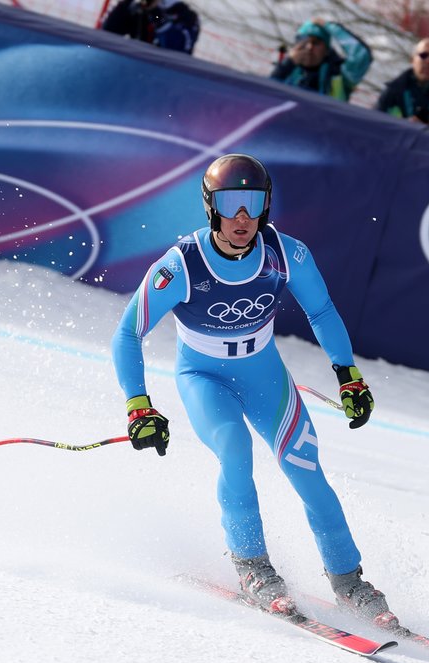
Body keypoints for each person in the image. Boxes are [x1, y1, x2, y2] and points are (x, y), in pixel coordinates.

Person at [111, 153, 396, 628]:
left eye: (253, 203)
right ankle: (253, 569)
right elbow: (127, 333)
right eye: (230, 204)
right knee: (235, 449)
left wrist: (349, 376)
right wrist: (138, 405)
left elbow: (322, 311)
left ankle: (350, 581)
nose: (242, 218)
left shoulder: (286, 253)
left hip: (264, 375)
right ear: (211, 206)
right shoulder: (182, 263)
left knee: (307, 470)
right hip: (204, 379)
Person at [270, 19, 372, 102]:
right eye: (304, 42)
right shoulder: (286, 69)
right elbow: (267, 93)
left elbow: (361, 55)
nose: (309, 47)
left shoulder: (340, 75)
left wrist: (330, 27)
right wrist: (288, 63)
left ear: (326, 50)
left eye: (316, 43)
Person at [101, 0, 200, 55]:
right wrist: (125, 5)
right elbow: (104, 36)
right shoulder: (136, 8)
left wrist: (154, 12)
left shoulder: (185, 15)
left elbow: (178, 50)